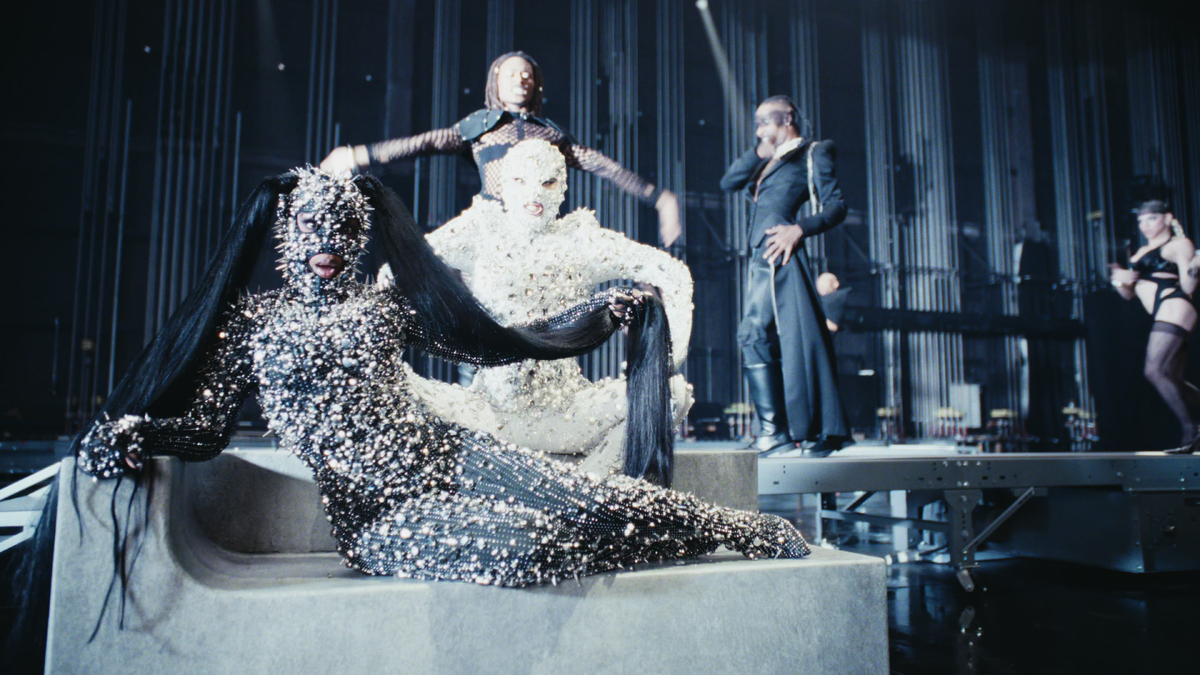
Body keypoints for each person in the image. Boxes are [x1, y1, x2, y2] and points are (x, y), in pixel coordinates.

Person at [75, 168, 808, 589]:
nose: (327, 243)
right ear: (286, 232)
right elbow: (205, 428)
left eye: (342, 228)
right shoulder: (255, 322)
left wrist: (594, 314)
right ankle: (692, 539)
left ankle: (738, 530)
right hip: (379, 516)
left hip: (449, 451)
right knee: (537, 544)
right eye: (312, 228)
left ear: (360, 234)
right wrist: (141, 432)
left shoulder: (384, 308)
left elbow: (491, 343)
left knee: (592, 496)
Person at [398, 139, 692, 483]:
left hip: (565, 415)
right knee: (391, 386)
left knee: (672, 394)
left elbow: (672, 274)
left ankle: (584, 491)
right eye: (521, 181)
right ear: (504, 186)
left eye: (548, 182)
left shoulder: (580, 242)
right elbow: (402, 266)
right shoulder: (480, 230)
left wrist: (669, 359)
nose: (534, 194)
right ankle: (578, 495)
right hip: (486, 413)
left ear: (562, 188)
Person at [320, 51, 682, 246]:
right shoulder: (481, 127)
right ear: (496, 82)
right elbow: (425, 142)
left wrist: (660, 198)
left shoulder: (551, 134)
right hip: (488, 226)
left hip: (540, 230)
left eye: (527, 75)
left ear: (536, 85)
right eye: (511, 74)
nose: (520, 80)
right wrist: (359, 155)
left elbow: (603, 165)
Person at [720, 95, 850, 456]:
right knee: (766, 338)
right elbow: (729, 181)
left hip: (781, 253)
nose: (759, 130)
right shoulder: (767, 159)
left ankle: (775, 432)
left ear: (787, 119)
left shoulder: (814, 152)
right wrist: (759, 151)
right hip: (760, 255)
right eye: (757, 124)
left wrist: (799, 229)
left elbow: (837, 206)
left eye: (765, 122)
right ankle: (777, 431)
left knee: (754, 333)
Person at [1110, 200, 1199, 451]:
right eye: (1141, 220)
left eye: (1151, 218)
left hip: (1175, 305)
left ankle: (1191, 430)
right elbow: (1129, 295)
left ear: (1167, 218)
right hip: (1163, 310)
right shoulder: (1140, 252)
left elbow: (1188, 286)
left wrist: (1195, 265)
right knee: (1172, 379)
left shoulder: (1178, 244)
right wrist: (1120, 281)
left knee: (1153, 370)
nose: (1145, 225)